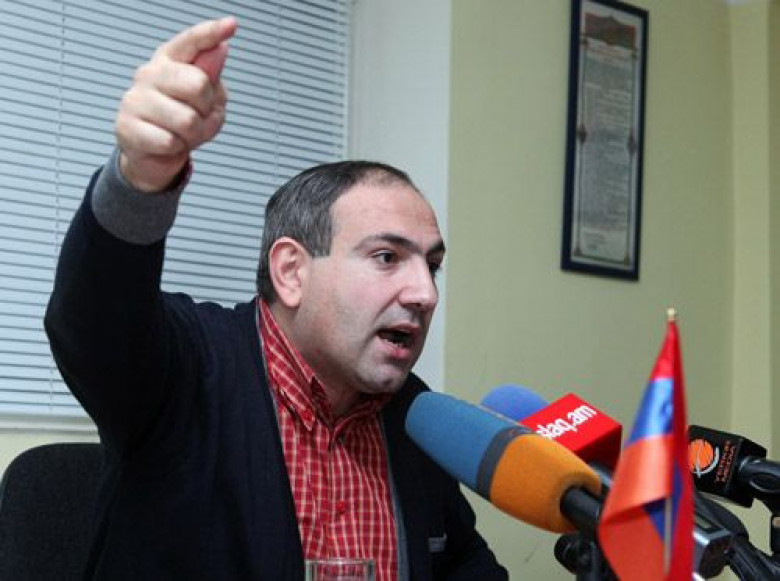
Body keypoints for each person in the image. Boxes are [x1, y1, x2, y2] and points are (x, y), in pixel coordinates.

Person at [44, 16, 507, 581]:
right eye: (388, 257)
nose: (425, 293)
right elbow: (93, 321)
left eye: (431, 266)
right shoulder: (186, 366)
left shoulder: (417, 418)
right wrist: (138, 179)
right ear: (291, 272)